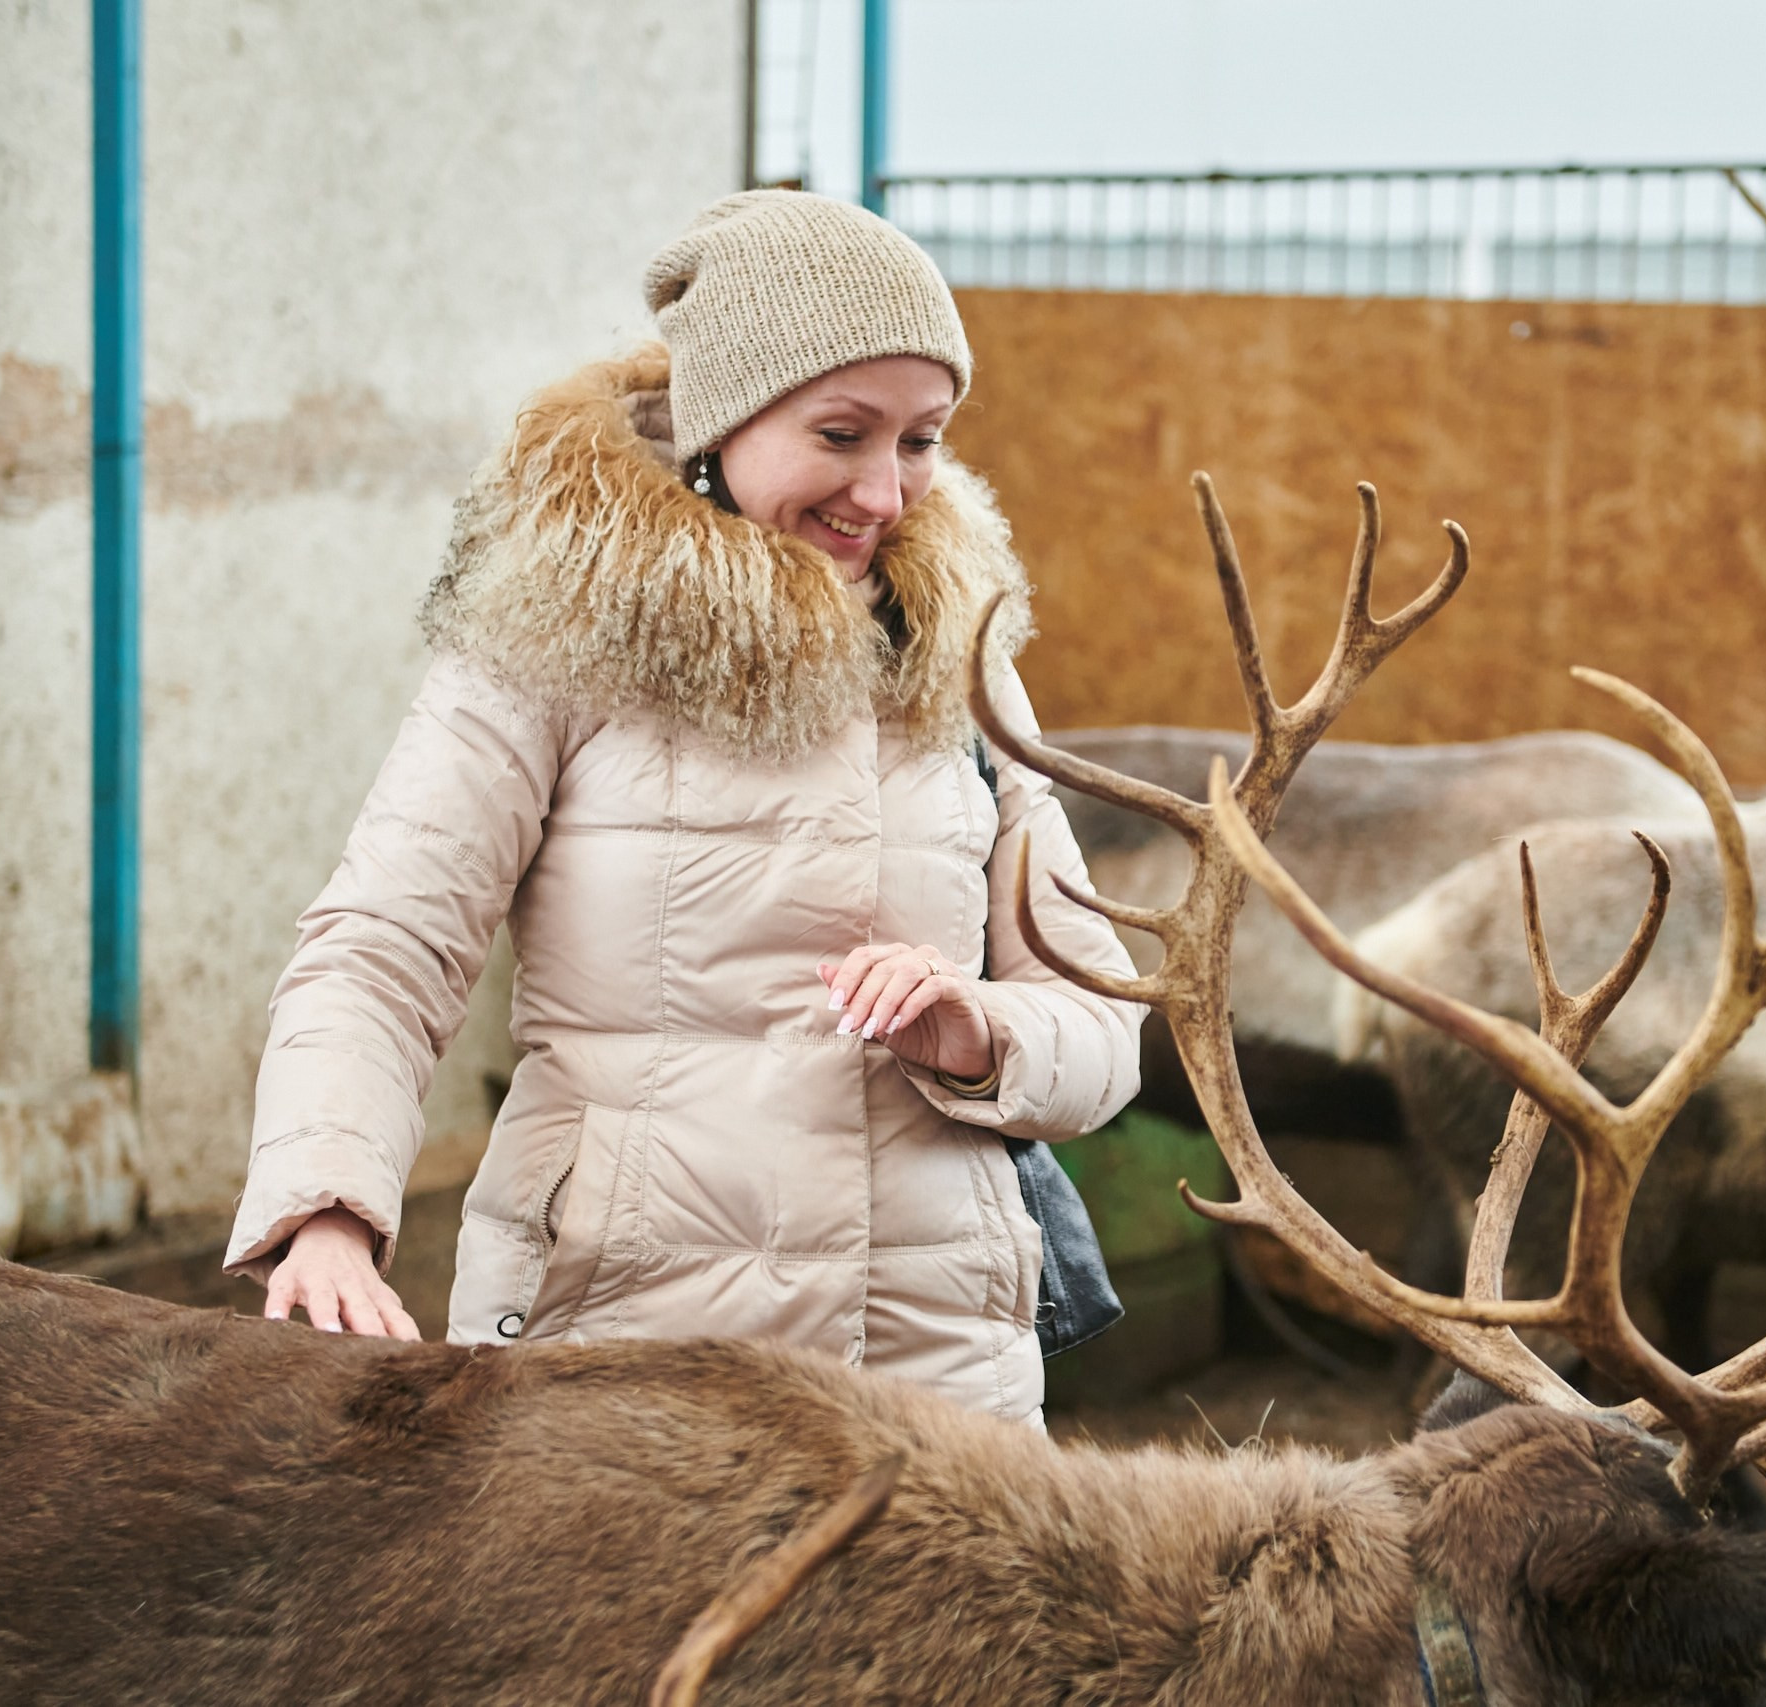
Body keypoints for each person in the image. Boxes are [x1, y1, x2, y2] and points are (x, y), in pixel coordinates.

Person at [222, 191, 1144, 1427]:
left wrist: (976, 1033)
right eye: (840, 433)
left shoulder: (956, 656)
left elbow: (1102, 1019)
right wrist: (325, 1213)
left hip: (937, 1400)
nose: (884, 492)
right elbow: (382, 948)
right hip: (627, 1374)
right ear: (725, 419)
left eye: (922, 439)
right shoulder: (553, 632)